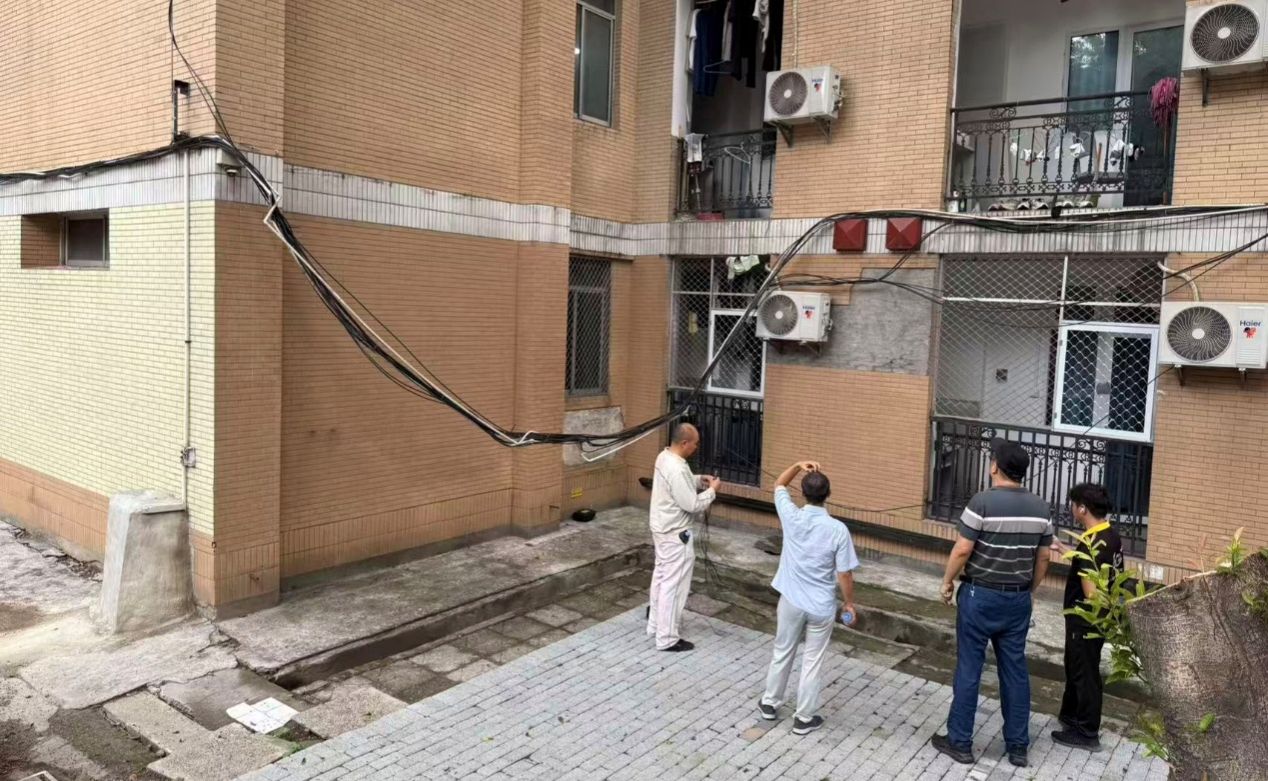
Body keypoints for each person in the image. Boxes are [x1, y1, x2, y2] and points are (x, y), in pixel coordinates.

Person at [931, 438, 1053, 769]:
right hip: (1018, 599)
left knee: (969, 667)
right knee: (1015, 670)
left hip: (979, 596)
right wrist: (1029, 590)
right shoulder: (1041, 508)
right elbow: (1044, 558)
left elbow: (962, 549)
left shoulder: (982, 501)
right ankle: (1018, 746)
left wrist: (947, 581)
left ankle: (960, 742)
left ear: (995, 466)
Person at [757, 461, 859, 736]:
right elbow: (844, 573)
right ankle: (804, 718)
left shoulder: (791, 515)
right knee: (813, 660)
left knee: (782, 650)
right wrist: (849, 603)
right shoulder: (838, 529)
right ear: (828, 494)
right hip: (821, 604)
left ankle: (770, 704)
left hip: (791, 599)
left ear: (802, 493)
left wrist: (797, 466)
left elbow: (779, 484)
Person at [1052, 483, 1123, 751]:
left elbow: (1091, 593)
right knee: (1077, 667)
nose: (1071, 509)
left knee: (1084, 673)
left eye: (1073, 504)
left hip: (1085, 620)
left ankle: (1086, 732)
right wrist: (1065, 550)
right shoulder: (1109, 535)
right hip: (1099, 619)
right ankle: (1070, 716)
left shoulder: (1090, 543)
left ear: (1082, 508)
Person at [647, 423, 719, 652]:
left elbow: (679, 484)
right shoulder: (677, 468)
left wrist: (698, 480)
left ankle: (655, 625)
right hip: (675, 534)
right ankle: (667, 638)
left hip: (661, 529)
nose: (696, 447)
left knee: (661, 578)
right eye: (695, 444)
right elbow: (692, 504)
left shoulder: (665, 456)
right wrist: (712, 491)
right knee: (674, 585)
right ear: (685, 443)